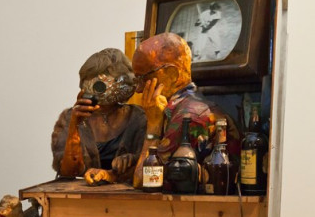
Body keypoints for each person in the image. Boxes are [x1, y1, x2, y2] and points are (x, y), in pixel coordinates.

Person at [131, 32, 240, 181]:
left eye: (143, 78)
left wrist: (153, 126)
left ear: (171, 75)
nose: (138, 89)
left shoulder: (189, 116)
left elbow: (144, 179)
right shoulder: (177, 109)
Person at [51, 48, 146, 186]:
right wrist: (74, 127)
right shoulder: (70, 117)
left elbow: (150, 162)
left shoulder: (138, 118)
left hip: (128, 199)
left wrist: (131, 160)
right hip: (78, 198)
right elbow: (68, 171)